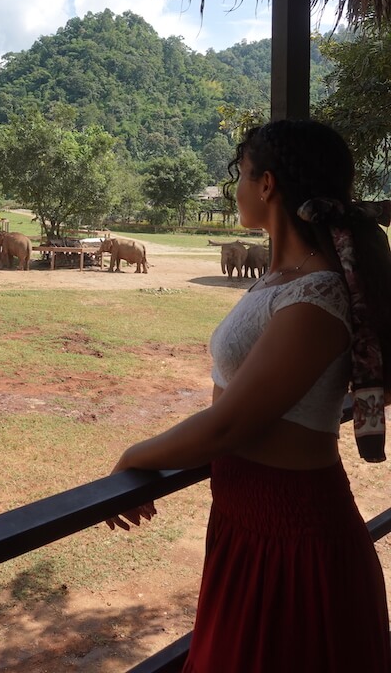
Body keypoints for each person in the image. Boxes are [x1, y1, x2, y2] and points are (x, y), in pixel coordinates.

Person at [107, 119, 391, 672]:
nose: (235, 189)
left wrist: (136, 457)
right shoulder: (280, 279)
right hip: (244, 521)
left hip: (294, 537)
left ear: (266, 185)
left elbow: (229, 426)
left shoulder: (319, 295)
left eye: (240, 175)